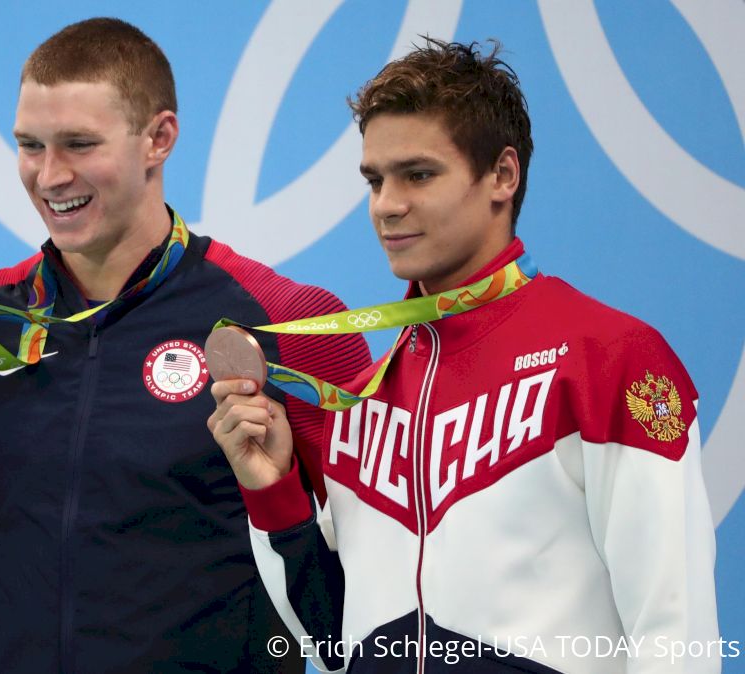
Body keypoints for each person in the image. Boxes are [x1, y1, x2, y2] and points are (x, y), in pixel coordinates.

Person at [0, 17, 371, 673]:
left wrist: (280, 500)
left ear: (159, 138)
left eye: (78, 144)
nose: (48, 176)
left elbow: (360, 618)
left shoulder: (284, 324)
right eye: (29, 145)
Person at [208, 38, 721, 672]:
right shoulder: (366, 400)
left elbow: (675, 632)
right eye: (374, 180)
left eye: (418, 175)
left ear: (502, 175)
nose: (387, 205)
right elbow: (333, 645)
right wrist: (275, 491)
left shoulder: (609, 359)